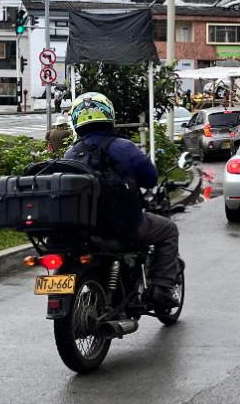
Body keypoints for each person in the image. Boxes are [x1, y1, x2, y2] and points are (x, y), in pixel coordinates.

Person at [65, 92, 181, 307]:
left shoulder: (71, 154)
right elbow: (150, 178)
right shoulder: (124, 147)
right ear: (109, 116)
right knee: (169, 230)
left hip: (84, 230)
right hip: (124, 225)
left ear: (76, 121)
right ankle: (163, 289)